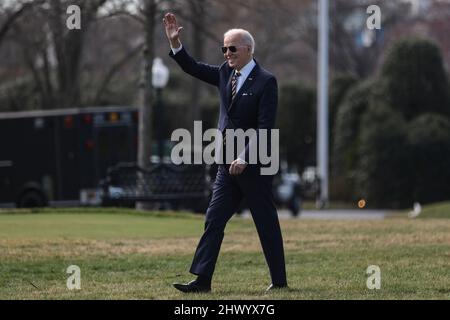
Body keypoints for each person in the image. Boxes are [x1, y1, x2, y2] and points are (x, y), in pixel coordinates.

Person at [163, 12, 287, 293]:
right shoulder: (223, 73)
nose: (227, 53)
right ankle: (202, 280)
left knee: (265, 223)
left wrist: (245, 155)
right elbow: (192, 67)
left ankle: (279, 281)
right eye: (224, 48)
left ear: (248, 50)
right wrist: (175, 43)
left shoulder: (266, 81)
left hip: (255, 166)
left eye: (232, 48)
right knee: (213, 220)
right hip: (225, 167)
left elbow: (266, 128)